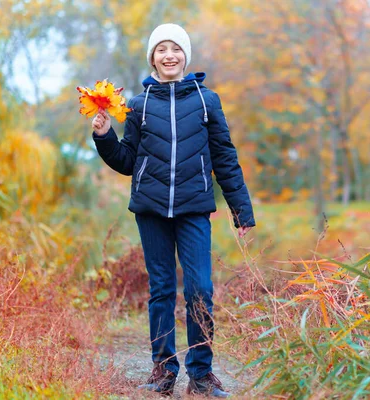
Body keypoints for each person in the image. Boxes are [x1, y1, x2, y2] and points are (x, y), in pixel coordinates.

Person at [91, 23, 255, 398]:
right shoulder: (138, 103)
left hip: (194, 207)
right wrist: (104, 136)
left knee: (200, 289)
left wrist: (240, 210)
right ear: (152, 57)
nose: (169, 55)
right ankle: (163, 370)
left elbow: (225, 159)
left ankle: (201, 375)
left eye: (176, 49)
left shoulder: (206, 100)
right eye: (161, 49)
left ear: (185, 56)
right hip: (150, 209)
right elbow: (127, 160)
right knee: (162, 288)